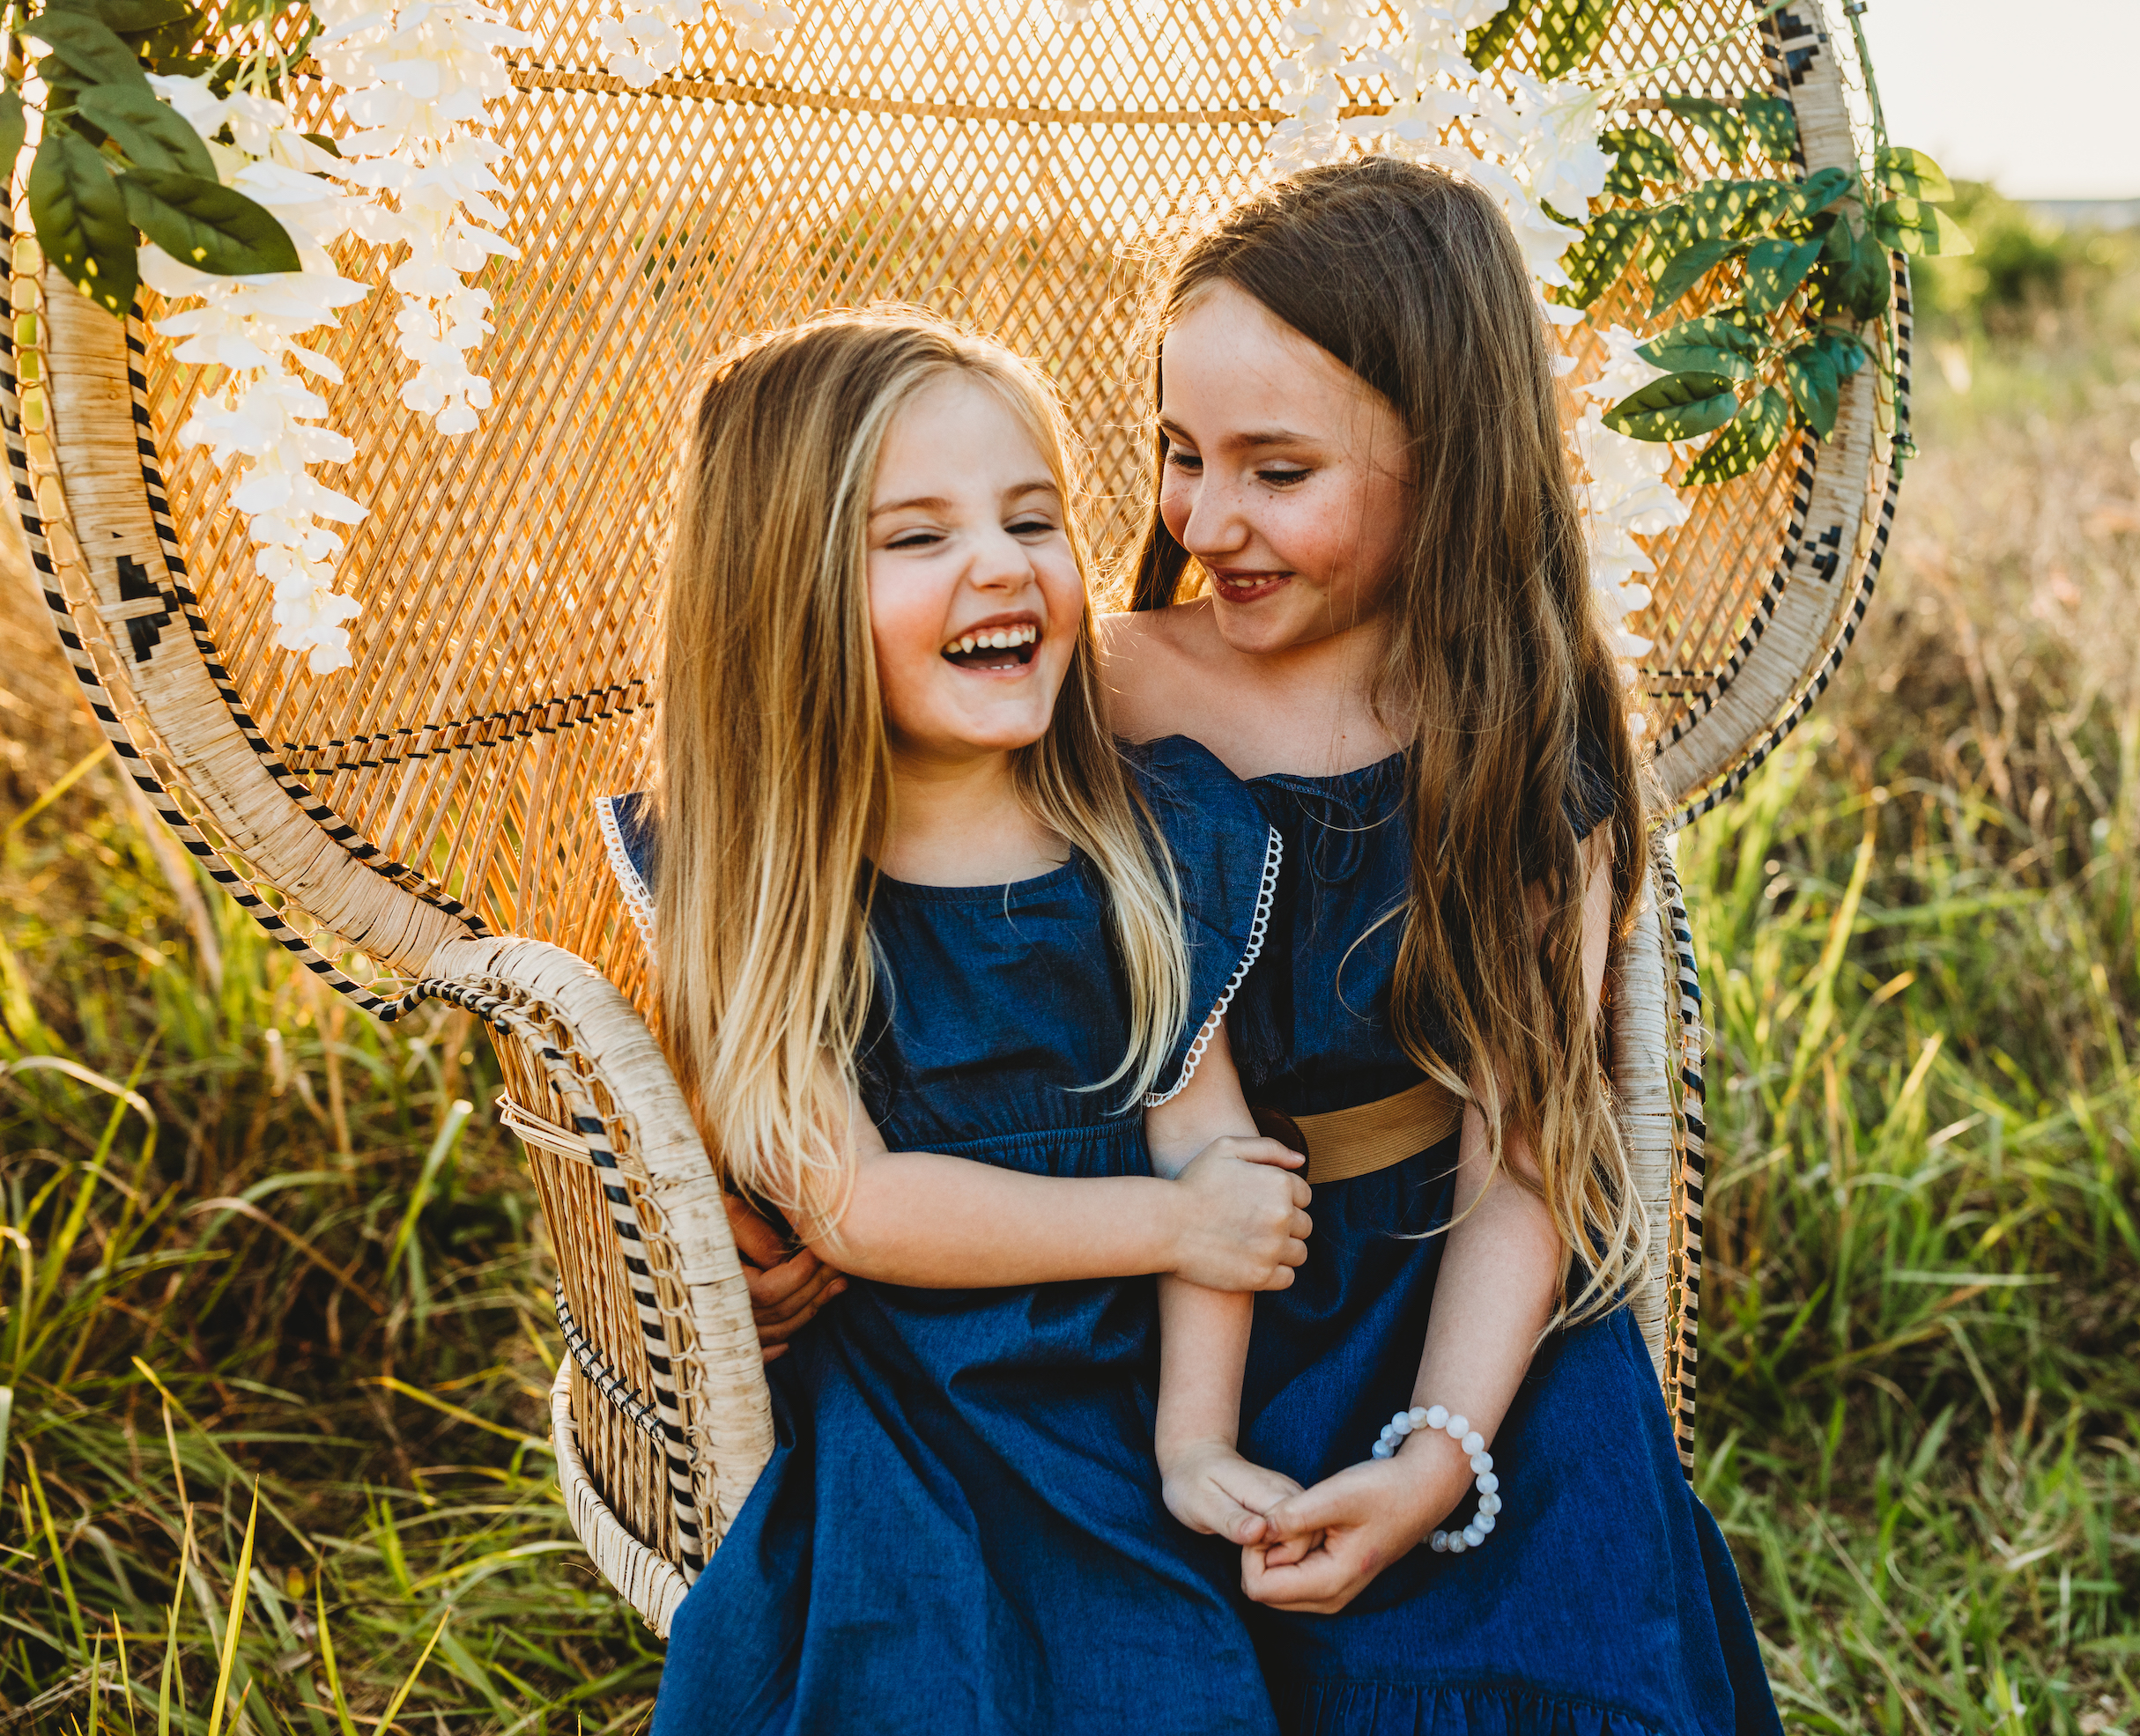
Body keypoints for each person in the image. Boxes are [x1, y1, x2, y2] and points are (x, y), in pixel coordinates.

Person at [1100, 158, 1788, 1734]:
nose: (1206, 521)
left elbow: (1523, 1155)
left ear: (1447, 462)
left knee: (1538, 1644)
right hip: (1160, 1284)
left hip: (1445, 1299)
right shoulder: (1107, 684)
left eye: (1278, 473)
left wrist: (1436, 1458)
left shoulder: (1523, 736)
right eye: (1178, 455)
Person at [622, 307, 1312, 1733]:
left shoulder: (1157, 840)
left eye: (1032, 517)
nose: (1002, 564)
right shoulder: (770, 884)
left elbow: (1218, 1165)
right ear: (786, 596)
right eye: (915, 537)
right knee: (917, 1676)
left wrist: (1192, 1444)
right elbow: (857, 1204)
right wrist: (1169, 1226)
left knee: (1167, 1686)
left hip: (1123, 1410)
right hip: (911, 1424)